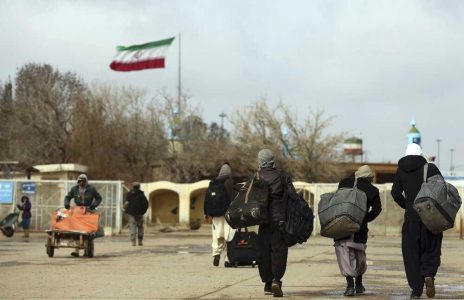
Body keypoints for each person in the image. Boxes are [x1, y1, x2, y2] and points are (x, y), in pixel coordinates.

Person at [391, 143, 442, 299]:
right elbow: (442, 189)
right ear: (421, 154)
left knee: (411, 253)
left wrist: (408, 206)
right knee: (431, 248)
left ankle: (416, 290)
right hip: (431, 218)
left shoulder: (401, 170)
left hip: (411, 218)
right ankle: (428, 274)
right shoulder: (430, 168)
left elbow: (395, 193)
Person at [334, 165, 382, 297]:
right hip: (360, 229)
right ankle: (359, 284)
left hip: (341, 225)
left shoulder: (344, 183)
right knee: (359, 254)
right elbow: (377, 210)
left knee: (345, 254)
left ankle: (350, 286)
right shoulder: (373, 190)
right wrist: (365, 218)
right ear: (368, 177)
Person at [256, 149, 296, 297]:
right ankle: (276, 280)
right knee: (279, 251)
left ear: (259, 161)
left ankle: (267, 284)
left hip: (262, 221)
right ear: (273, 161)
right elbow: (292, 197)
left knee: (264, 252)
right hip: (280, 221)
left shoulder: (255, 177)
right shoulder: (283, 176)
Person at [204, 163, 236, 267]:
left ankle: (216, 254)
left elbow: (207, 199)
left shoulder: (213, 183)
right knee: (229, 236)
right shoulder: (232, 183)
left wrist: (206, 213)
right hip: (229, 215)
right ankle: (228, 259)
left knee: (217, 235)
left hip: (216, 215)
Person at [64, 174, 102, 257]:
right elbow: (68, 197)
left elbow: (99, 198)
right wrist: (66, 204)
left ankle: (86, 249)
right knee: (76, 229)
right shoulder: (74, 189)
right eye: (80, 181)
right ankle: (76, 250)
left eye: (83, 181)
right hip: (77, 210)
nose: (81, 183)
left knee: (88, 230)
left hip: (88, 210)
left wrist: (94, 205)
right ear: (78, 181)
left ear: (86, 181)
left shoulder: (91, 189)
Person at [124, 182, 149, 246]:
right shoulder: (141, 194)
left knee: (132, 226)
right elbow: (146, 203)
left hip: (131, 213)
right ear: (139, 186)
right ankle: (140, 241)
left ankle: (133, 242)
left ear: (133, 186)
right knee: (140, 227)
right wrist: (143, 211)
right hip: (139, 213)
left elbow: (127, 201)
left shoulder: (129, 194)